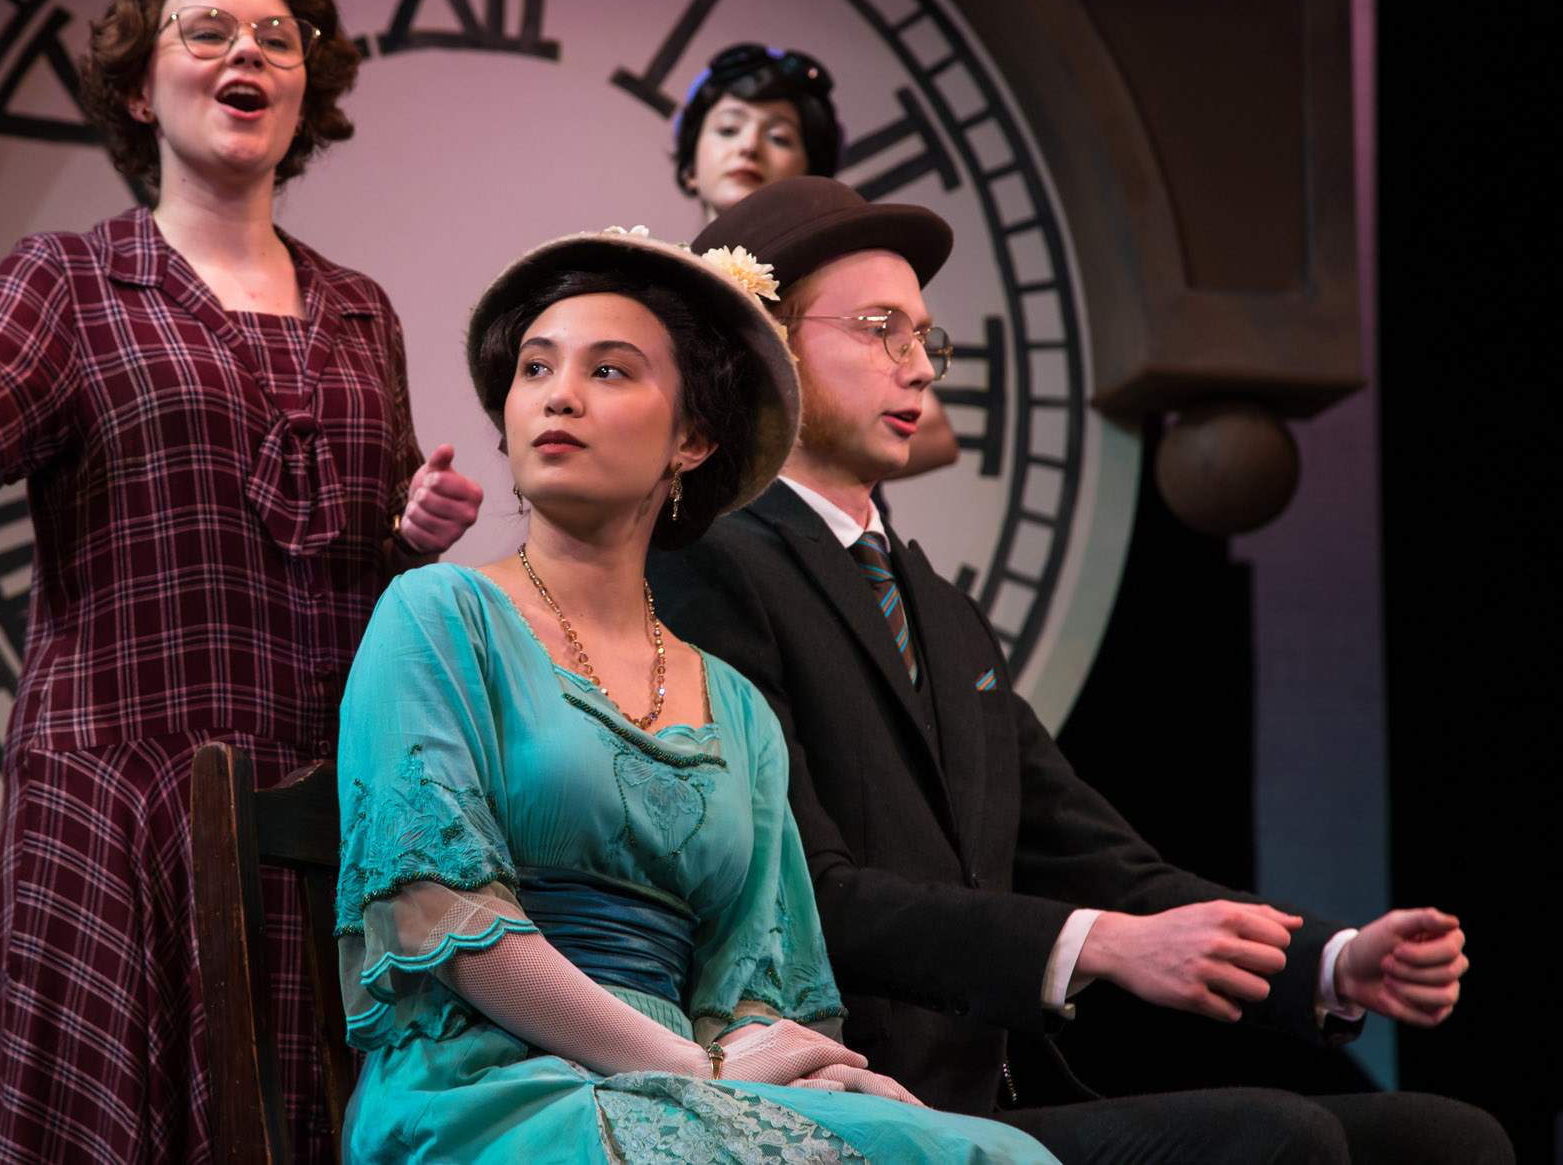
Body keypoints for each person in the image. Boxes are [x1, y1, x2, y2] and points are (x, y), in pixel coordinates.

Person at [647, 177, 1510, 1163]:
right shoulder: (706, 565)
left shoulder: (941, 610)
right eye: (881, 328)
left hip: (984, 1097)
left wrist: (1327, 963)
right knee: (1279, 1139)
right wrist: (1090, 943)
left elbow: (1094, 858)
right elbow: (803, 893)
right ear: (762, 348)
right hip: (842, 1099)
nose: (919, 368)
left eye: (926, 339)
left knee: (1446, 1137)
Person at [0, 0, 483, 1163]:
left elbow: (361, 562)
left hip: (317, 814)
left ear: (305, 92)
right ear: (139, 89)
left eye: (276, 38)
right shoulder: (71, 279)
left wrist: (415, 533)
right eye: (205, 31)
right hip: (122, 809)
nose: (244, 53)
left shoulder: (361, 307)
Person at [332, 224, 1063, 1164]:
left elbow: (758, 982)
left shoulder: (734, 703)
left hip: (693, 1081)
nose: (557, 394)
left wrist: (807, 1075)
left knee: (997, 1157)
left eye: (609, 372)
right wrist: (694, 1071)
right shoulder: (437, 616)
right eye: (535, 368)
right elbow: (448, 918)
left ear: (693, 439)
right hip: (491, 1082)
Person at [671, 42, 958, 483]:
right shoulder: (664, 288)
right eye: (728, 130)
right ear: (690, 165)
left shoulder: (842, 283)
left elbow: (934, 433)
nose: (748, 147)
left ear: (812, 171)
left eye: (780, 137)